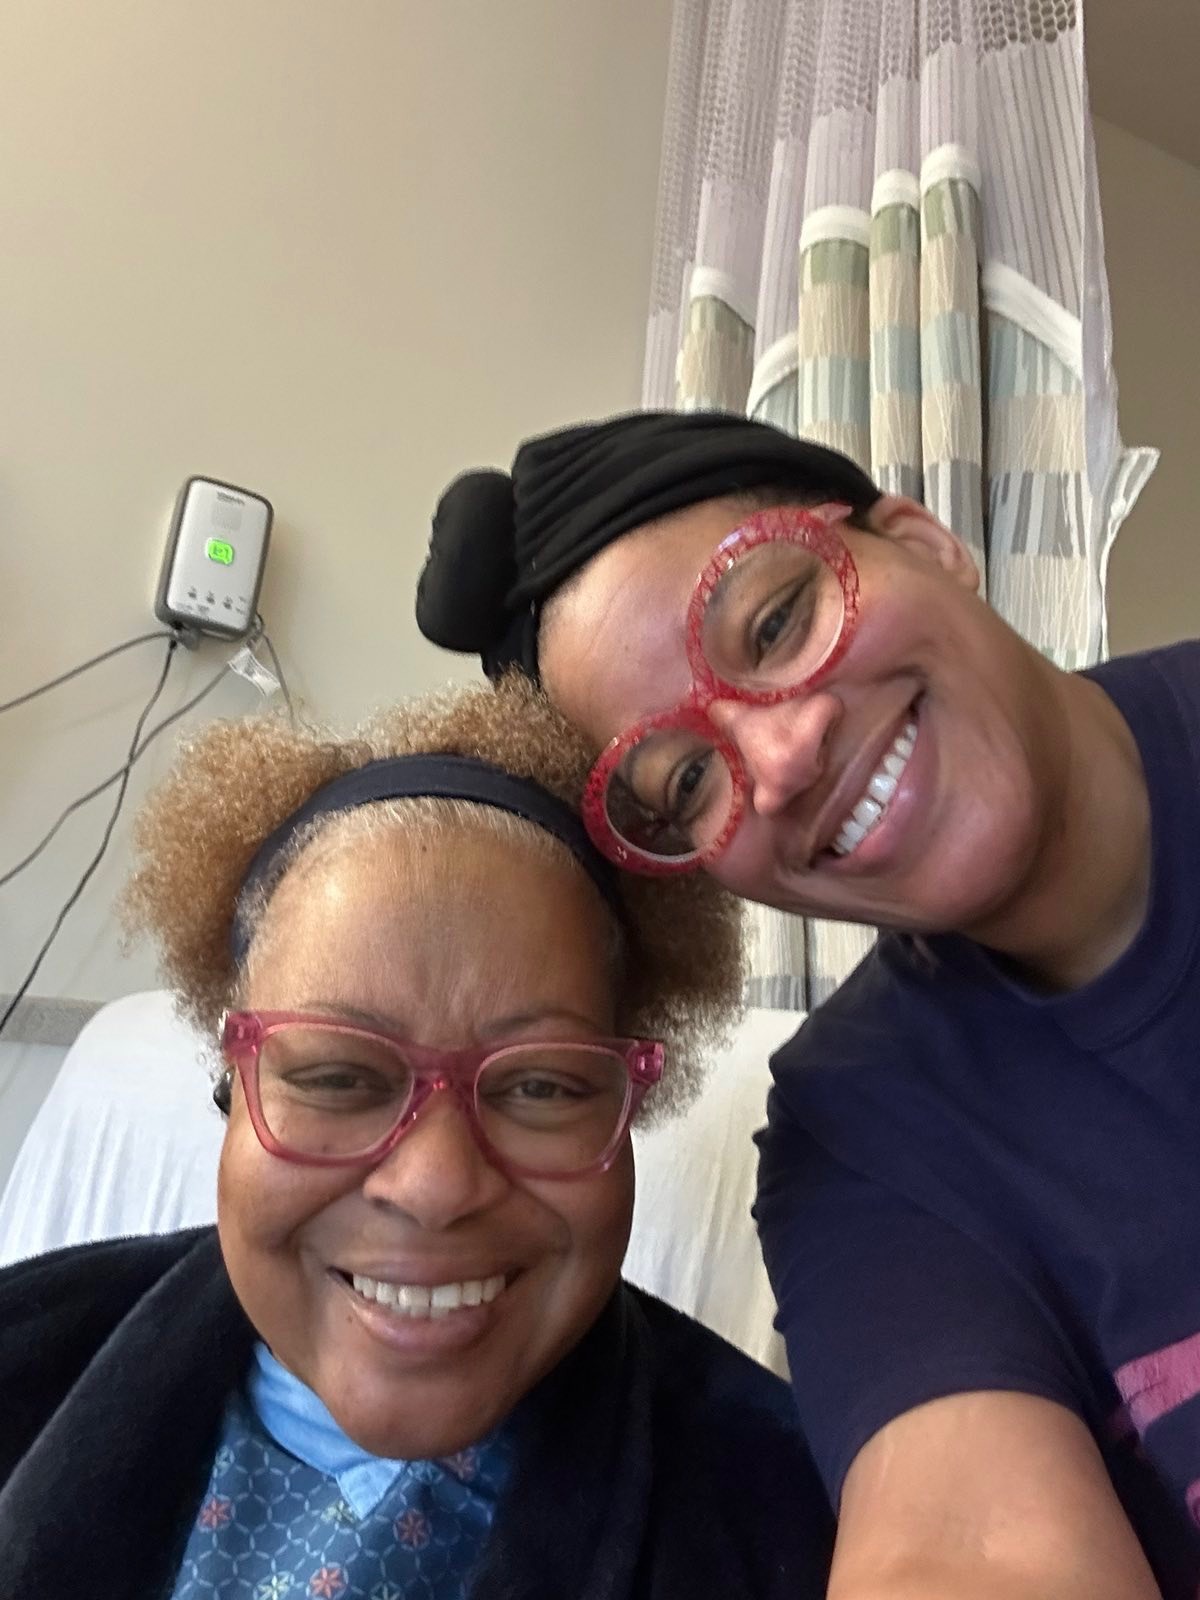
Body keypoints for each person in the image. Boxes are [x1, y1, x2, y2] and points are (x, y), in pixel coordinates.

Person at [416, 409, 1200, 1600]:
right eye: (690, 778)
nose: (779, 762)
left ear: (924, 542)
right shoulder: (861, 1134)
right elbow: (961, 1551)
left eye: (777, 622)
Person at [0, 674, 836, 1600]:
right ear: (232, 1087)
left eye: (541, 1085)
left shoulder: (803, 1527)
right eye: (337, 1077)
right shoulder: (25, 1352)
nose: (435, 1186)